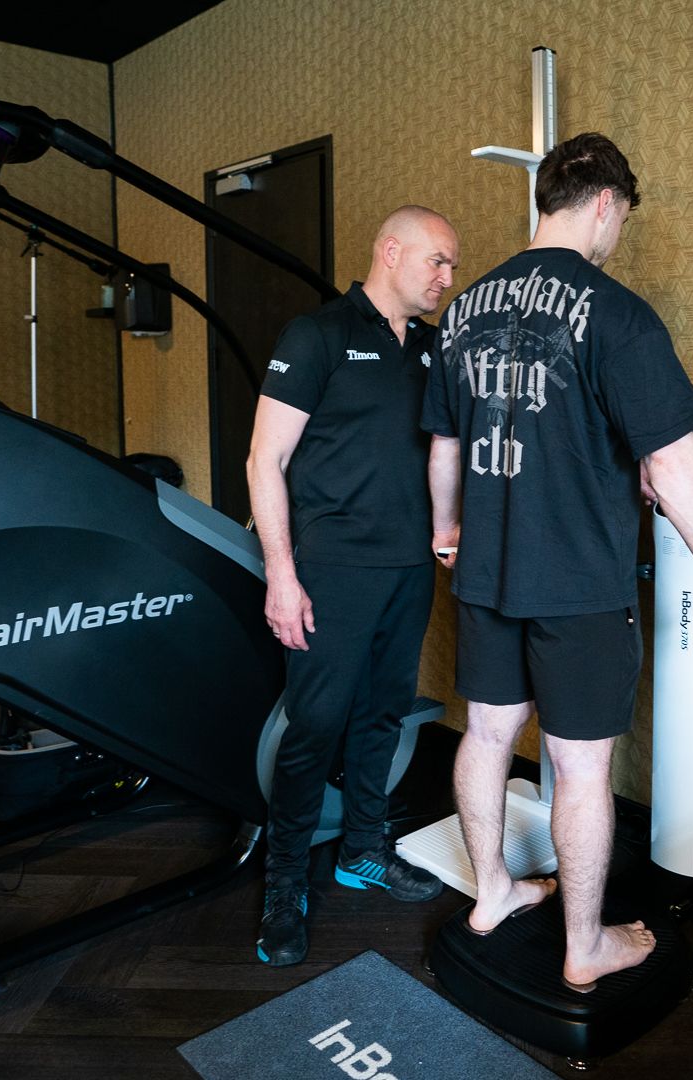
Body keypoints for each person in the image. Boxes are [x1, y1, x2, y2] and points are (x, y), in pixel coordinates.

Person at [422, 134, 693, 991]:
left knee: (488, 734)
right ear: (605, 202)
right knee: (579, 766)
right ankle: (584, 945)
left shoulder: (462, 310)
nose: (617, 239)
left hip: (485, 570)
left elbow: (445, 445)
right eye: (622, 220)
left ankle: (491, 893)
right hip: (577, 583)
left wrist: (448, 528)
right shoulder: (616, 312)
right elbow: (675, 465)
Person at [246, 205, 462, 966]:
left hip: (408, 569)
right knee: (314, 730)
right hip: (330, 571)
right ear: (391, 250)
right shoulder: (318, 336)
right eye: (437, 261)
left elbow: (448, 450)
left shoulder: (435, 348)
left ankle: (362, 849)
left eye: (452, 266)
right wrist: (283, 574)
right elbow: (263, 462)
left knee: (383, 718)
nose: (446, 278)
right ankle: (283, 882)